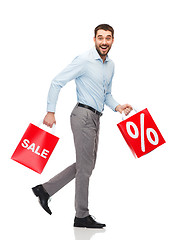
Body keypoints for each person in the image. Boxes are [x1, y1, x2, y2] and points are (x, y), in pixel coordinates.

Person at [32, 24, 132, 228]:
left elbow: (106, 95)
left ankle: (45, 189)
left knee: (86, 165)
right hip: (82, 116)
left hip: (96, 117)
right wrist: (50, 111)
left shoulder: (110, 65)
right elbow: (56, 82)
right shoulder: (84, 60)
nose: (104, 42)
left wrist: (118, 107)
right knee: (86, 168)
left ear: (113, 40)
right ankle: (81, 215)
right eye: (100, 38)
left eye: (108, 38)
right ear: (94, 39)